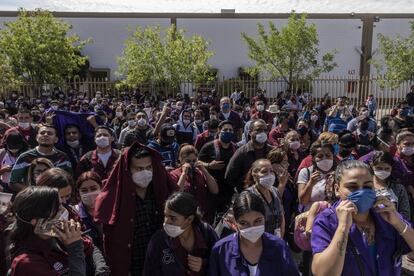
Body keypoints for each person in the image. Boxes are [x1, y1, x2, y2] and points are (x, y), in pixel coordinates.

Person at [311, 160, 414, 276]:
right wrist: (343, 228)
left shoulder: (386, 214)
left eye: (367, 186)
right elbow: (323, 273)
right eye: (352, 187)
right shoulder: (327, 221)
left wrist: (398, 223)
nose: (361, 192)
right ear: (337, 189)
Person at [95, 143, 176, 276]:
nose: (145, 172)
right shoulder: (115, 196)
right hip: (132, 264)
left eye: (148, 167)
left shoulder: (161, 190)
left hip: (162, 260)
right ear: (128, 169)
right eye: (139, 169)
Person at [207, 191, 299, 276]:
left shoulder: (279, 247)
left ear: (264, 217)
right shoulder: (221, 250)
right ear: (235, 221)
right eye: (244, 223)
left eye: (257, 221)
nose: (251, 228)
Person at [9, 186, 86, 276]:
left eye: (61, 205)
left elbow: (90, 248)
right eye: (57, 209)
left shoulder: (54, 237)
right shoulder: (27, 263)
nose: (64, 211)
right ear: (35, 221)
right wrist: (75, 247)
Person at [143, 192, 219, 275]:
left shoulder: (206, 232)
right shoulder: (158, 240)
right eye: (165, 216)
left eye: (173, 218)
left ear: (189, 220)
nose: (166, 222)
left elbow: (221, 262)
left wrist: (204, 263)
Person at [9, 124, 72, 193]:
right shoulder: (25, 157)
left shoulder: (63, 158)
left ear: (56, 139)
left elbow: (69, 181)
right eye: (42, 133)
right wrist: (34, 192)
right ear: (36, 137)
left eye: (50, 133)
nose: (45, 135)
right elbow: (13, 182)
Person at [170, 145, 219, 223]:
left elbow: (215, 190)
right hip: (185, 218)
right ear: (181, 160)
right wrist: (183, 174)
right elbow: (175, 195)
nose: (191, 164)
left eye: (194, 160)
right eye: (188, 161)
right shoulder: (174, 174)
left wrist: (205, 171)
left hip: (203, 217)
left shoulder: (199, 172)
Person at [198, 120, 237, 213]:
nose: (228, 132)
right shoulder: (208, 146)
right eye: (225, 129)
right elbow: (197, 162)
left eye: (230, 130)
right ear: (219, 131)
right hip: (211, 188)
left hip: (228, 190)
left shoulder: (236, 148)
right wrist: (209, 165)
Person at [225, 119, 273, 192]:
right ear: (250, 132)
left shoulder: (271, 151)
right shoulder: (242, 152)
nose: (263, 133)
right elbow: (229, 177)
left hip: (269, 192)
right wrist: (244, 187)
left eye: (265, 130)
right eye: (258, 130)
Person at [244, 159, 285, 238]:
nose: (269, 175)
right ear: (254, 173)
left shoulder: (275, 191)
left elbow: (281, 216)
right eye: (264, 171)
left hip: (275, 239)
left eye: (271, 171)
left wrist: (280, 240)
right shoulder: (249, 195)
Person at [370, 151, 410, 219]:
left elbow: (405, 214)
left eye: (387, 169)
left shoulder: (399, 188)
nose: (383, 171)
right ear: (372, 166)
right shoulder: (364, 186)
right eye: (379, 168)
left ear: (391, 168)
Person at [297, 141, 336, 210]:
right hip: (312, 216)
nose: (325, 159)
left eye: (328, 155)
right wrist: (310, 183)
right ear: (313, 159)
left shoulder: (339, 172)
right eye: (320, 156)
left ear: (333, 156)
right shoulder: (306, 172)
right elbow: (303, 201)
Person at [75, 171, 104, 250]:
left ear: (101, 188)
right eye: (84, 190)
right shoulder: (75, 214)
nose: (90, 193)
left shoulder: (111, 209)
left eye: (93, 189)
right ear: (79, 193)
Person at [393, 131, 414, 202]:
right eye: (407, 144)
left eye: (413, 144)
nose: (411, 146)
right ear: (397, 145)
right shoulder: (394, 162)